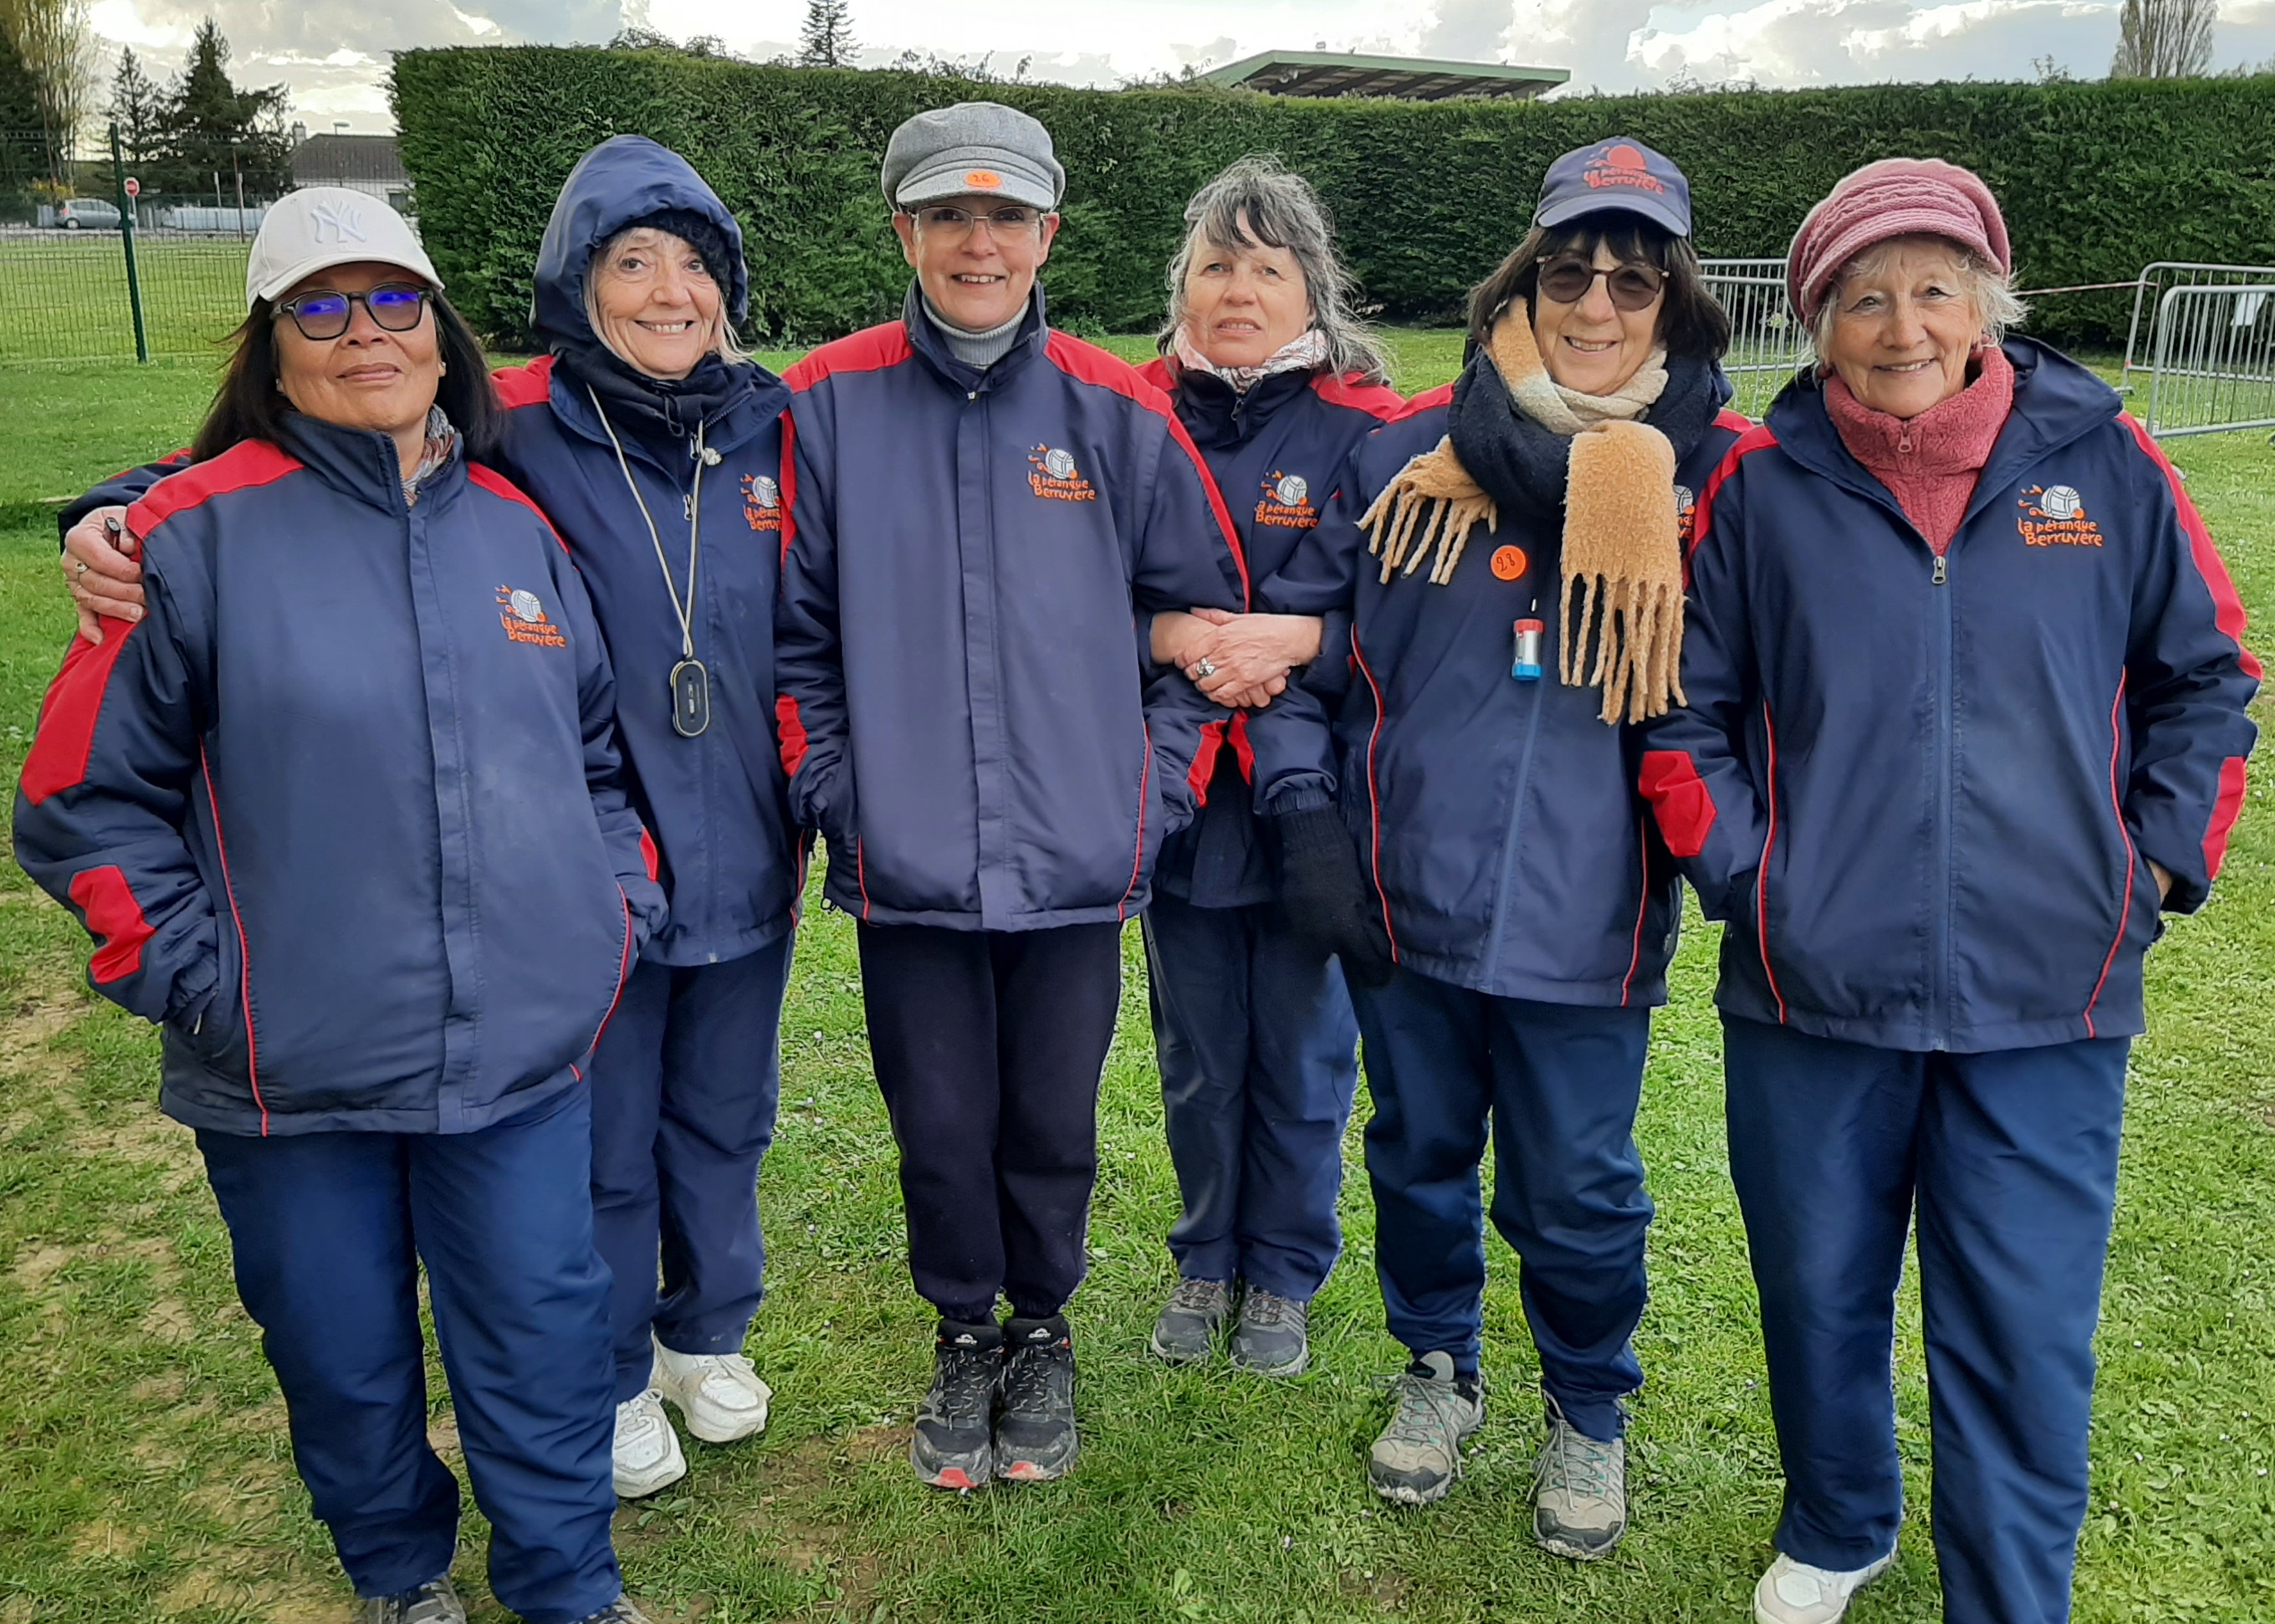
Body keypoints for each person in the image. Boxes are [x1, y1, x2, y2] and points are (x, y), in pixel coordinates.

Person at [59, 137, 801, 1502]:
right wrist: (117, 511)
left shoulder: (774, 425)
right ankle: (618, 1366)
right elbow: (289, 445)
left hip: (743, 851)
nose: (669, 293)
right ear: (575, 287)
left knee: (725, 1122)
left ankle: (706, 1333)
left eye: (697, 265)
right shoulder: (519, 413)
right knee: (605, 1140)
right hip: (566, 884)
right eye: (633, 262)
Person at [15, 189, 664, 1624]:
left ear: (443, 331)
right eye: (322, 304)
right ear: (272, 340)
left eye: (394, 300)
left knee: (546, 1334)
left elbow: (601, 759)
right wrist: (200, 975)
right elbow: (78, 801)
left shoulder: (515, 527)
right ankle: (397, 1576)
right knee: (340, 1348)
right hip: (285, 1069)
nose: (363, 330)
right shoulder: (183, 538)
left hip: (520, 1060)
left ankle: (567, 1586)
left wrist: (607, 915)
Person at [1638, 159, 2259, 1624]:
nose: (1899, 324)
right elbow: (1680, 711)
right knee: (1816, 1291)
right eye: (1862, 296)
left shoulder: (2106, 461)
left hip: (2047, 991)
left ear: (1987, 301)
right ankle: (1841, 1518)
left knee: (2023, 1327)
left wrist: (2153, 862)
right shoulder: (1757, 481)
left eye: (1931, 287)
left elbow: (2209, 674)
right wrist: (1747, 872)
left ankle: (2008, 1590)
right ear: (1817, 321)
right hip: (1813, 985)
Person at [1243, 140, 1744, 1556]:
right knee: (1413, 1152)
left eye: (1633, 280)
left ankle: (1587, 1407)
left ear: (1676, 304)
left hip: (1591, 919)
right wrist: (1302, 812)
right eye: (1569, 270)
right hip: (1410, 903)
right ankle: (1437, 1363)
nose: (1596, 303)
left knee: (1578, 1186)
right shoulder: (1410, 455)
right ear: (1523, 279)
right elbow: (1301, 652)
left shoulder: (1721, 478)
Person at [773, 101, 1246, 1490]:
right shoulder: (827, 402)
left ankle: (1043, 1327)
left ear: (1046, 233)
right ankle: (962, 1329)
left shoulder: (1116, 408)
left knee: (1049, 1114)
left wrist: (1145, 795)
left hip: (1074, 856)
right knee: (936, 1111)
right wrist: (842, 798)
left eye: (1004, 217)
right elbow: (794, 636)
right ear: (904, 231)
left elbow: (1203, 621)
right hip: (904, 855)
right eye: (946, 216)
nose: (976, 243)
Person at [1135, 156, 1403, 1377]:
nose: (1237, 289)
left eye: (1267, 267)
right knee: (1198, 1052)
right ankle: (1206, 1252)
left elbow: (1409, 619)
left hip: (1314, 810)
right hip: (1176, 789)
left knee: (1302, 1051)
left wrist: (1301, 639)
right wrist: (1175, 638)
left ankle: (1286, 1270)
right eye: (1214, 264)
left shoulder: (1373, 426)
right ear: (1182, 286)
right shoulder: (1128, 416)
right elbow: (1080, 590)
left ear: (1315, 292)